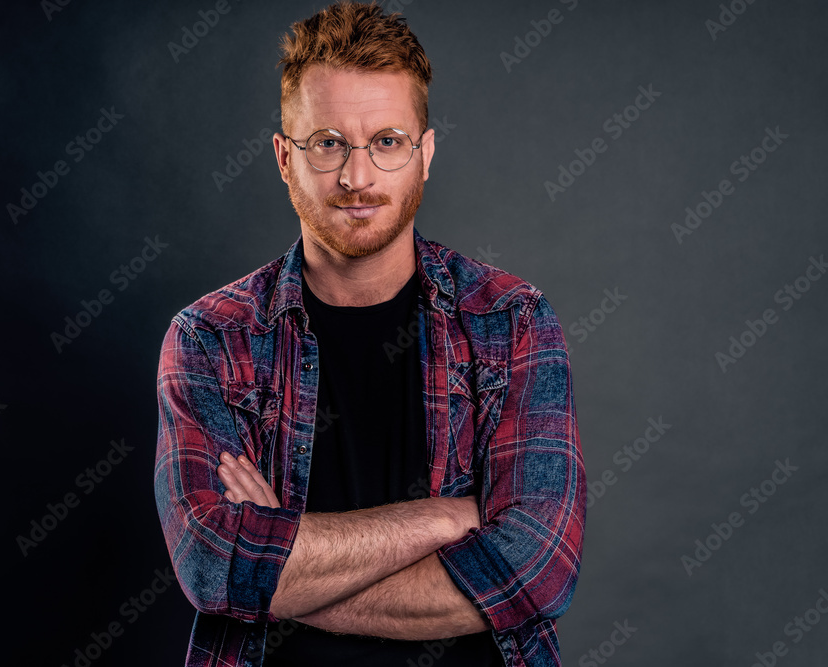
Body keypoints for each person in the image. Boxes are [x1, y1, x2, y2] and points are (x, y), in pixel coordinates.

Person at [154, 2, 586, 665]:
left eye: (386, 140)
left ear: (425, 153)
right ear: (283, 157)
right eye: (327, 142)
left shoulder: (512, 321)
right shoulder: (211, 338)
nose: (357, 177)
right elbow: (213, 567)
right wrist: (442, 518)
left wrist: (278, 567)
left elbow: (538, 569)